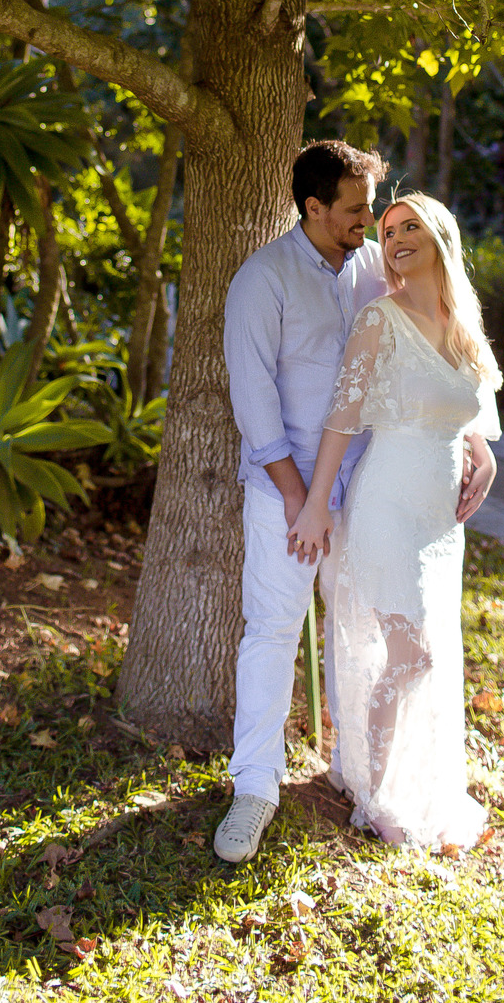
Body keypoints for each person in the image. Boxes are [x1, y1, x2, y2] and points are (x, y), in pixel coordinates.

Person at [288, 193, 500, 848]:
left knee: (423, 655)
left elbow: (467, 412)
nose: (397, 237)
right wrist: (317, 502)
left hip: (442, 523)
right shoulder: (381, 319)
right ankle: (379, 798)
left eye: (410, 226)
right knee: (412, 654)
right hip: (385, 506)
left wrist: (483, 456)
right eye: (388, 229)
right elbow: (343, 417)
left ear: (440, 235)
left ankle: (411, 782)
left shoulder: (461, 323)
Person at [213, 140, 389, 864]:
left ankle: (357, 774)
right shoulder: (263, 281)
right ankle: (255, 786)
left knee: (359, 629)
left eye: (369, 205)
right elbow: (255, 404)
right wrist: (298, 500)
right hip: (286, 493)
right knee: (273, 629)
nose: (368, 220)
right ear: (313, 207)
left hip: (370, 487)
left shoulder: (375, 267)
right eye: (354, 209)